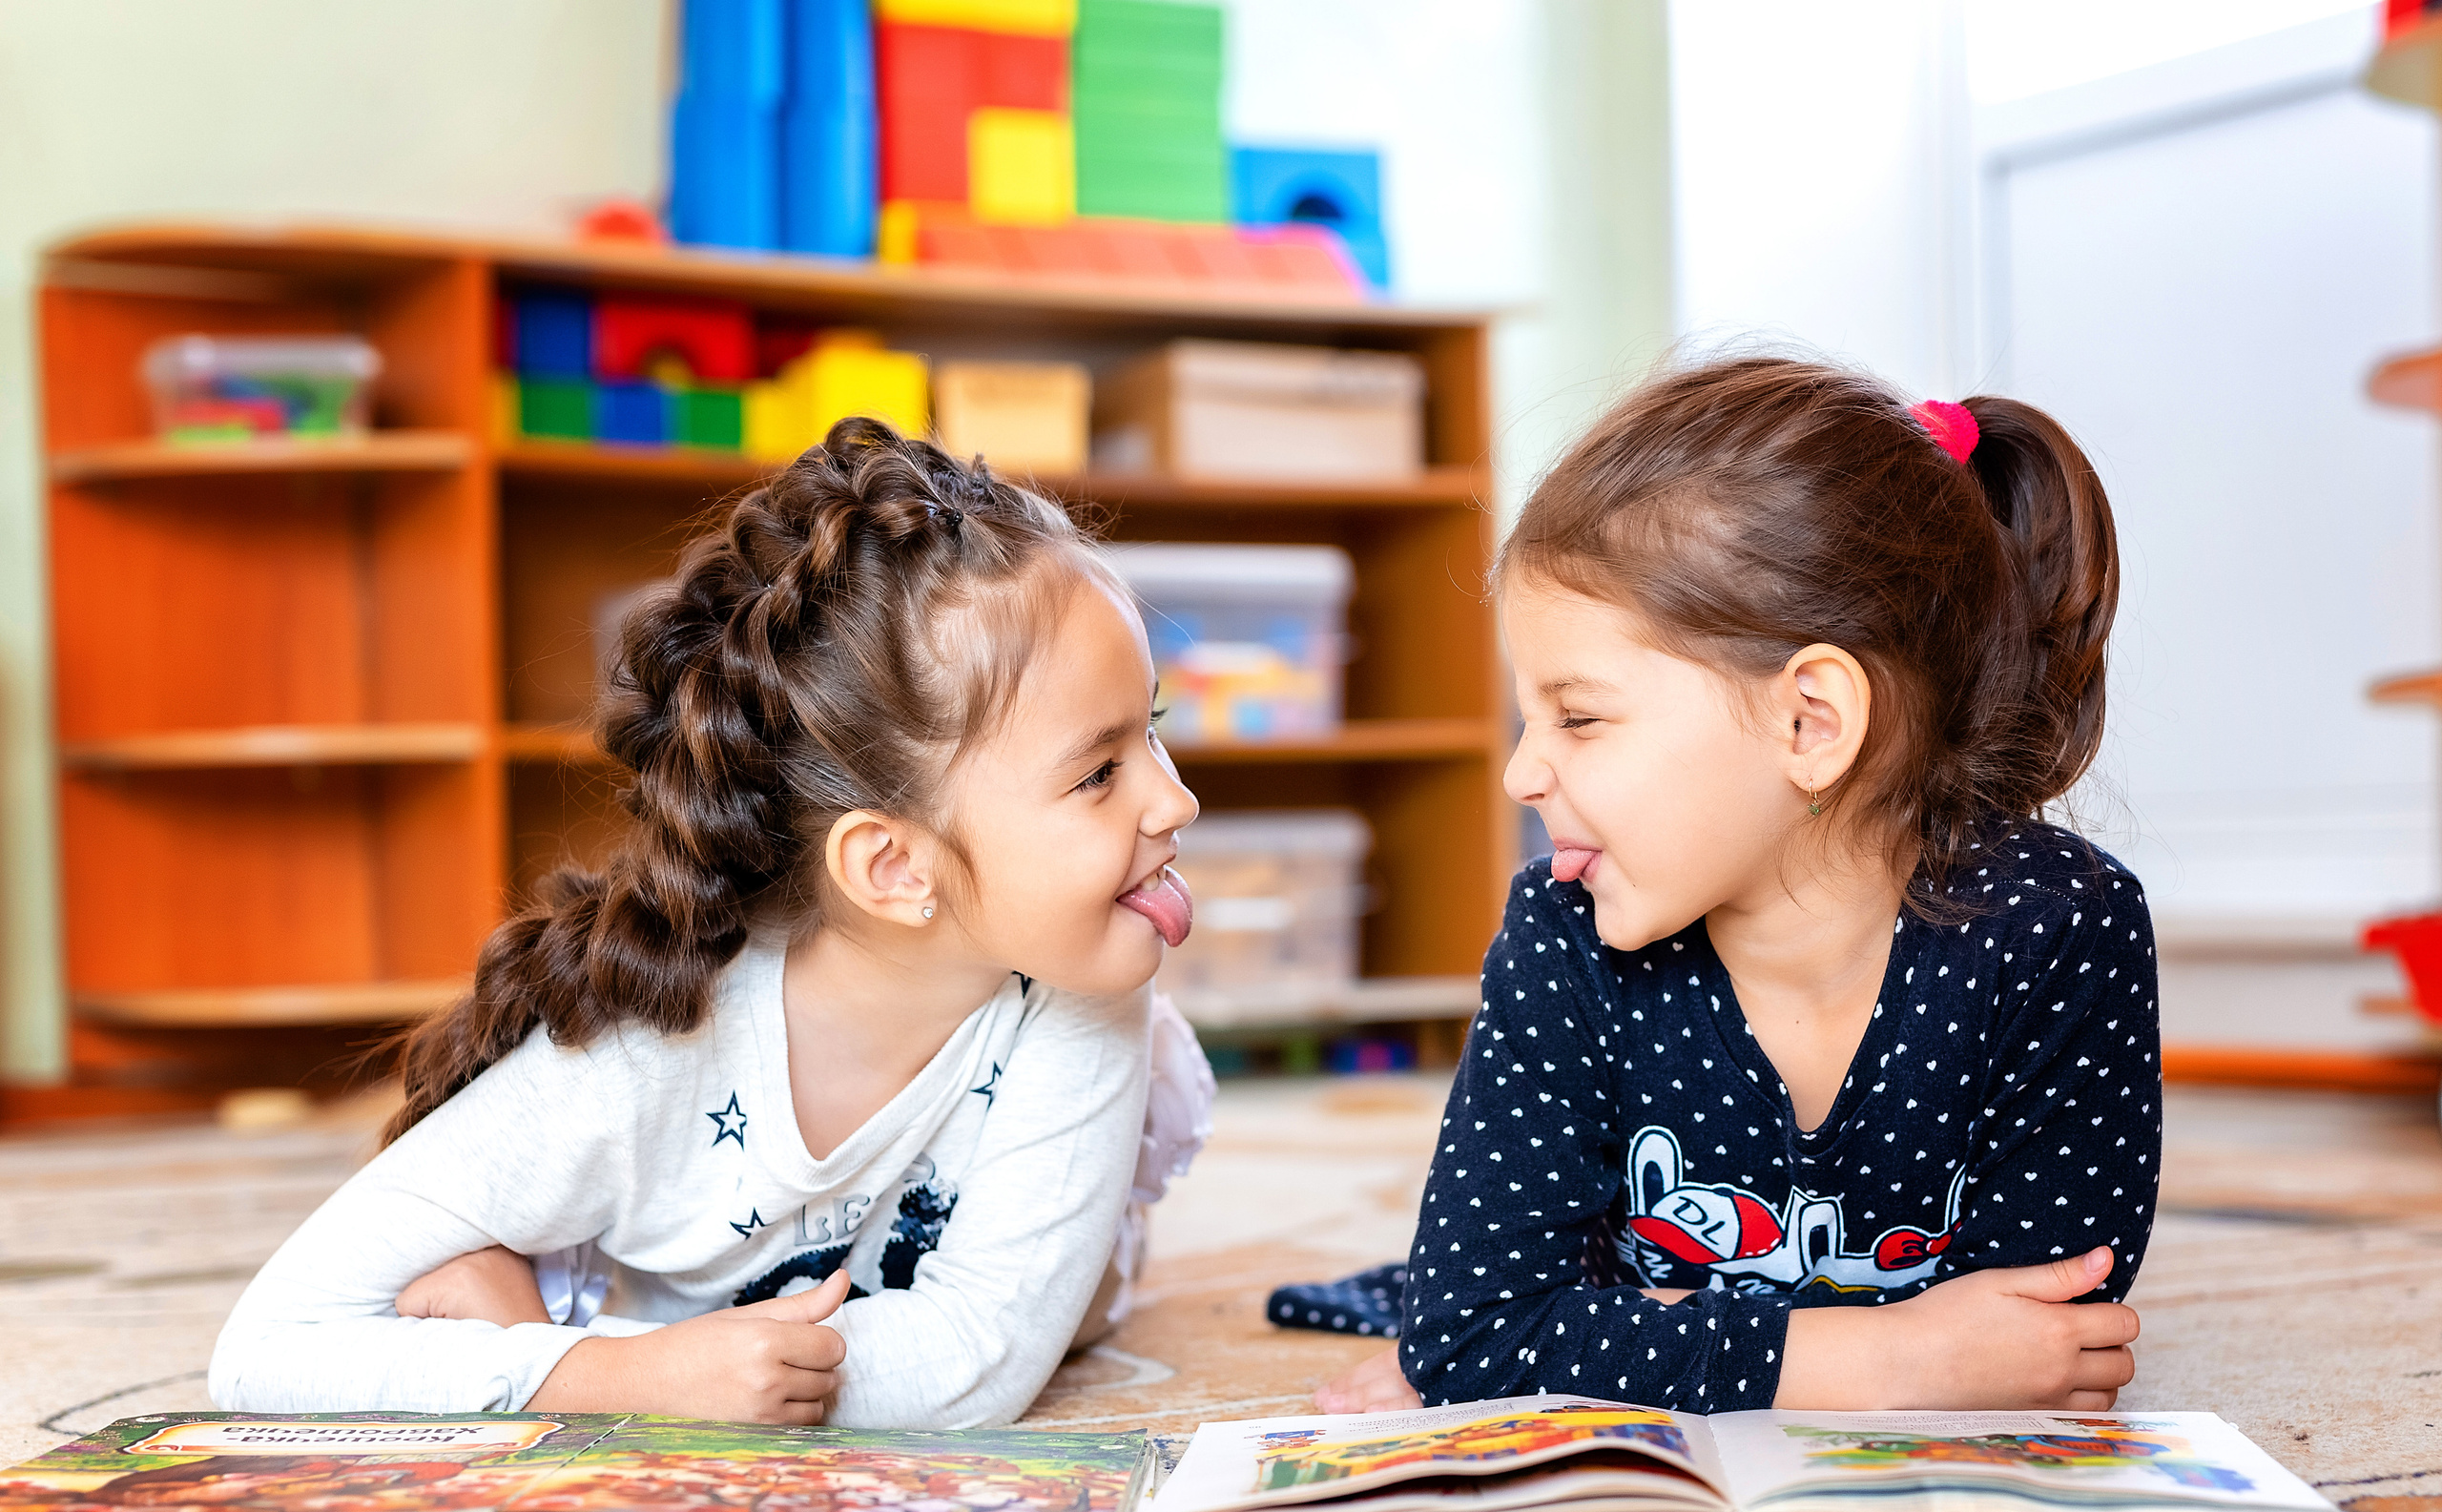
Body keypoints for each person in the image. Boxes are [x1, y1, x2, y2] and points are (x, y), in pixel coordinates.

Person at [211, 418, 1208, 1429]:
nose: (1176, 803)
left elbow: (973, 1364)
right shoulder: (631, 1062)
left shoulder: (1088, 982)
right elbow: (266, 1350)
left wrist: (598, 1359)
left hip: (1049, 1276)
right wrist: (609, 1383)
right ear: (894, 866)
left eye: (1153, 733)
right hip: (699, 1259)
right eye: (1098, 773)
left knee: (1078, 1309)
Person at [1297, 358, 2158, 1416]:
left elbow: (2044, 1339)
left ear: (1809, 723)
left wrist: (1591, 1338)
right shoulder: (1559, 931)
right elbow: (1472, 1335)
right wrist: (1891, 1362)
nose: (1522, 773)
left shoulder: (2060, 928)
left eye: (1578, 716)